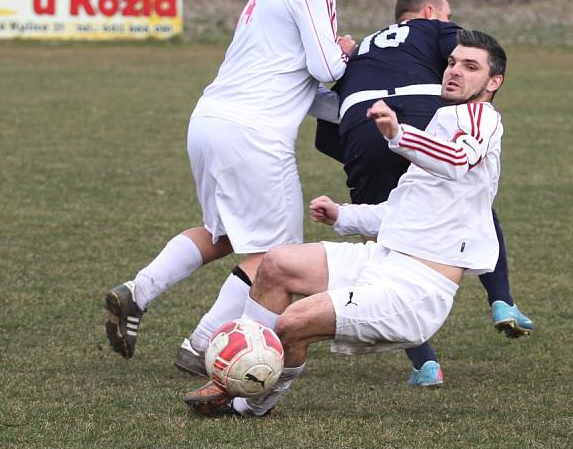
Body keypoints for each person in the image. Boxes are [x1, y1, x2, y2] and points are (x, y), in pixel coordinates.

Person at [185, 29, 510, 417]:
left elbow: (457, 160)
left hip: (416, 289)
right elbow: (408, 209)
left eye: (470, 67)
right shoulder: (445, 117)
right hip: (383, 259)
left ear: (494, 82)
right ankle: (234, 376)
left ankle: (249, 402)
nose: (454, 72)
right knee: (277, 263)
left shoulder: (481, 117)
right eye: (452, 63)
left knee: (292, 324)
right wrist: (345, 215)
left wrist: (398, 133)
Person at [104, 0, 355, 370]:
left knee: (222, 233)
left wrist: (356, 110)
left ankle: (138, 291)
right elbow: (325, 66)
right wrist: (348, 51)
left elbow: (300, 84)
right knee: (279, 257)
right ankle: (202, 345)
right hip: (252, 134)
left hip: (210, 122)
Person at [316, 0, 533, 387]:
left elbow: (324, 131)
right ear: (431, 12)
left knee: (386, 241)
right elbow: (473, 50)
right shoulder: (435, 31)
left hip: (359, 126)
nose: (454, 65)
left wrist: (363, 157)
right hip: (418, 115)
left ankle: (426, 364)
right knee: (474, 199)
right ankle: (501, 299)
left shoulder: (363, 48)